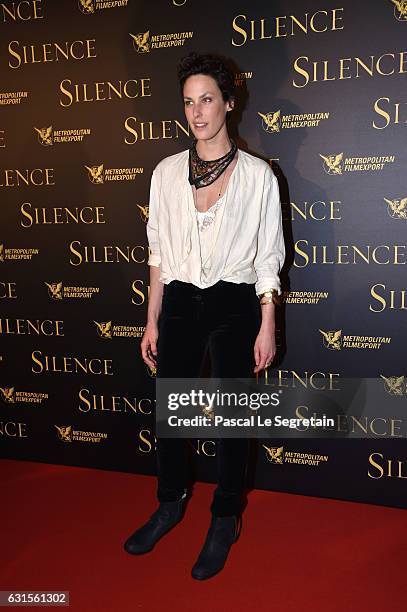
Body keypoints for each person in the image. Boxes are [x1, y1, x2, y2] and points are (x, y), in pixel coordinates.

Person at [124, 52, 285, 580]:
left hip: (235, 303)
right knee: (171, 414)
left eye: (207, 100)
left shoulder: (260, 176)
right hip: (180, 303)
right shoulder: (166, 173)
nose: (197, 112)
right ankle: (170, 503)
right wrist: (152, 319)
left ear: (229, 103)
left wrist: (267, 323)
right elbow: (157, 256)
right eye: (189, 102)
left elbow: (267, 257)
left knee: (234, 417)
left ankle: (225, 515)